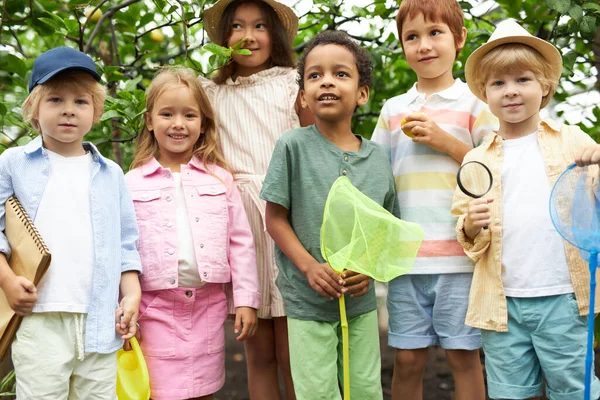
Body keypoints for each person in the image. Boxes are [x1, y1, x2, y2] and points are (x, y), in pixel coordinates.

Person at [451, 19, 600, 400]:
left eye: (523, 80)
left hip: (564, 297)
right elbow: (467, 237)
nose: (511, 92)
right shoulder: (476, 157)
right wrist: (469, 224)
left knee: (574, 391)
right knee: (507, 393)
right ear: (485, 93)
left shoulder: (571, 141)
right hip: (502, 305)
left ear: (545, 86)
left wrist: (598, 163)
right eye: (499, 83)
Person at [261, 30, 397, 400]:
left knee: (366, 389)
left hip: (360, 302)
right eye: (315, 75)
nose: (327, 82)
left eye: (340, 74)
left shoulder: (378, 161)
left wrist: (367, 269)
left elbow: (385, 226)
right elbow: (274, 218)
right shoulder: (292, 146)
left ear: (362, 93)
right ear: (303, 94)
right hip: (306, 300)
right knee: (316, 392)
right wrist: (309, 267)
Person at [371, 1, 496, 398]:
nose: (424, 45)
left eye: (435, 33)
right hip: (406, 259)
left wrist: (446, 142)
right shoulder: (394, 110)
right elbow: (377, 176)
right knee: (407, 359)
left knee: (464, 357)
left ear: (459, 39)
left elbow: (495, 169)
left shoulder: (477, 104)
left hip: (460, 258)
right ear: (403, 46)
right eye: (412, 37)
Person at [0, 46, 142, 399]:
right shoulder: (14, 163)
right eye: (55, 100)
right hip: (39, 319)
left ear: (96, 112)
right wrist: (7, 282)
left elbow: (126, 244)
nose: (68, 110)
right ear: (33, 109)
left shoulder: (111, 174)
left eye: (81, 101)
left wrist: (132, 295)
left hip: (99, 323)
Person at [125, 68, 260, 400]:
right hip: (152, 310)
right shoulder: (131, 183)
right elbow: (122, 248)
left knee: (204, 389)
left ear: (203, 123)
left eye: (189, 115)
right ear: (149, 120)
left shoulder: (219, 179)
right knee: (155, 390)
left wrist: (245, 300)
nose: (178, 123)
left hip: (206, 307)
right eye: (167, 114)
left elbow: (240, 242)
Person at [200, 1, 312, 397]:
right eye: (237, 27)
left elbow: (314, 145)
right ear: (223, 39)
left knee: (294, 350)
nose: (249, 36)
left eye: (260, 26)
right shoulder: (210, 93)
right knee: (258, 351)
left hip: (287, 215)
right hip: (240, 224)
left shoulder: (293, 84)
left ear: (275, 35)